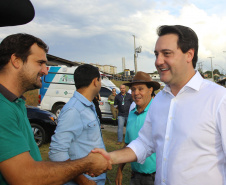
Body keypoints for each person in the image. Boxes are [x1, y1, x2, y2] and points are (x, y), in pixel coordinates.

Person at [92, 25, 226, 185]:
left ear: (189, 55)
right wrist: (111, 157)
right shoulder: (160, 100)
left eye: (166, 54)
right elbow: (145, 142)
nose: (158, 61)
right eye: (156, 54)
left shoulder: (218, 99)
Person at [0, 33, 111, 185]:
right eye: (40, 63)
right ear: (16, 61)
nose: (45, 71)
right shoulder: (3, 108)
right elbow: (26, 178)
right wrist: (86, 165)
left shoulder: (15, 103)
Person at [49, 64, 107, 185]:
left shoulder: (88, 105)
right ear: (95, 81)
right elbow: (56, 152)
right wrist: (84, 181)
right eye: (100, 79)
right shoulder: (74, 110)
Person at [115, 71, 160, 185]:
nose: (136, 93)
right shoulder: (132, 114)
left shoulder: (158, 113)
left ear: (150, 90)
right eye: (133, 89)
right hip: (135, 176)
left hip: (155, 177)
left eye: (140, 89)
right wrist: (120, 170)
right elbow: (128, 144)